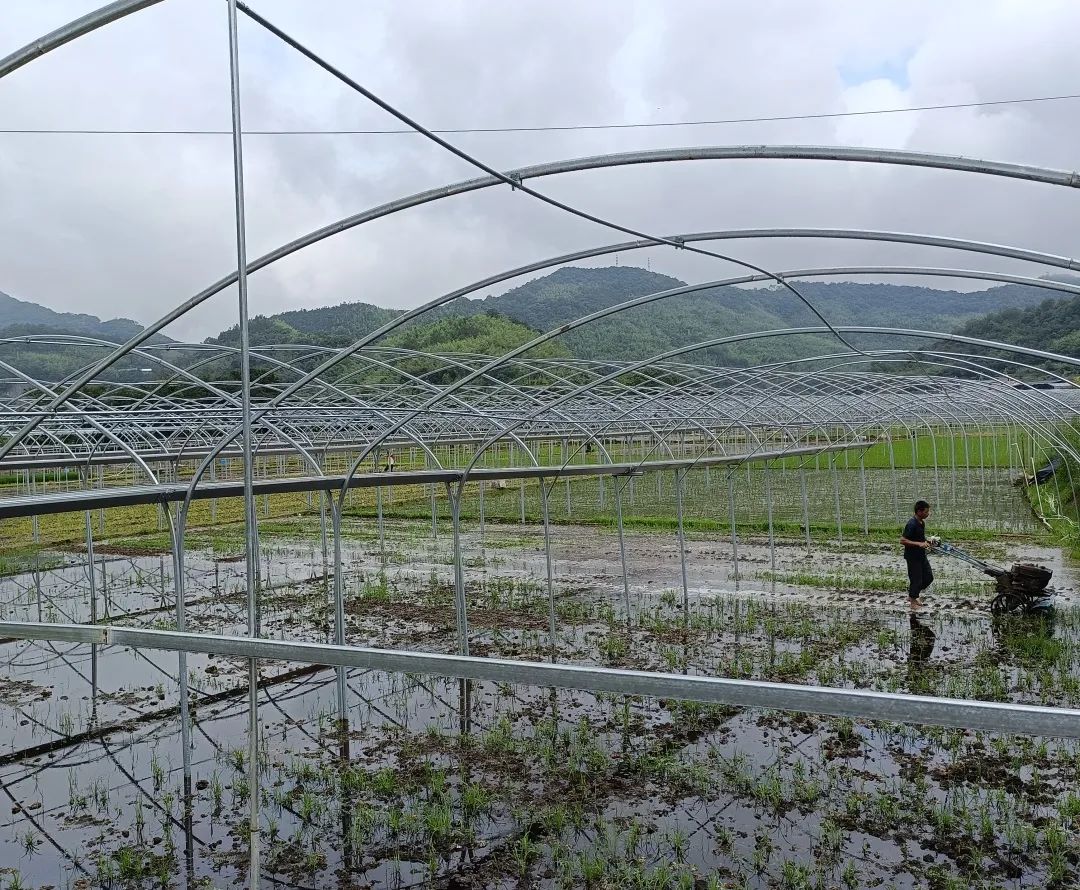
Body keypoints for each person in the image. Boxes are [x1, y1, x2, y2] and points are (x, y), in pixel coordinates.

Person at [900, 500, 933, 609]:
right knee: (916, 579)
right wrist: (919, 544)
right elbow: (903, 540)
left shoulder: (921, 522)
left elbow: (919, 538)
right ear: (919, 511)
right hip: (913, 557)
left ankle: (913, 595)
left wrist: (927, 541)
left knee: (928, 577)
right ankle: (913, 602)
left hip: (921, 555)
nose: (928, 514)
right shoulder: (911, 523)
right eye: (926, 512)